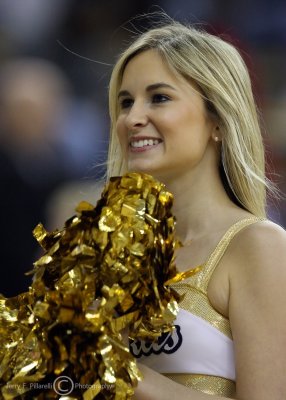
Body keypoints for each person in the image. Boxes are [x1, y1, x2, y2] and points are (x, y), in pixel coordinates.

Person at [106, 17, 286, 400]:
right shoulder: (116, 252)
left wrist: (123, 371)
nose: (132, 118)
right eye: (125, 102)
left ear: (217, 120)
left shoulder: (259, 247)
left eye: (159, 97)